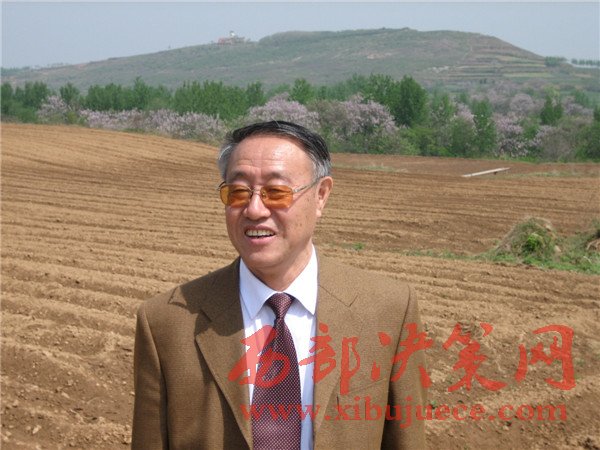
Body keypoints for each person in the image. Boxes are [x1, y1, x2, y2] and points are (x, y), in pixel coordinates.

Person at [132, 121, 427, 449]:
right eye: (238, 192)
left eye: (276, 192)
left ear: (321, 196)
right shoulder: (166, 323)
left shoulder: (388, 309)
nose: (254, 209)